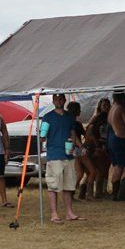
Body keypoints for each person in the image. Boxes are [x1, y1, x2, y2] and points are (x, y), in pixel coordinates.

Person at [41, 94, 82, 223]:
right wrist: (41, 135)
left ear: (64, 100)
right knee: (53, 185)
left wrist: (74, 145)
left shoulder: (70, 117)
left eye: (61, 99)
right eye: (56, 99)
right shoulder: (47, 117)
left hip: (68, 155)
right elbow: (42, 136)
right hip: (54, 155)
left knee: (68, 185)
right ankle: (54, 214)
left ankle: (69, 212)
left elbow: (72, 132)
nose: (59, 101)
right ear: (53, 101)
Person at [71, 102, 97, 201]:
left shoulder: (68, 122)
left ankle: (71, 193)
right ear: (76, 110)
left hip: (73, 150)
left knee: (80, 173)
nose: (80, 111)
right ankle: (89, 195)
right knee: (92, 171)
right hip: (79, 149)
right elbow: (84, 134)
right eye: (79, 109)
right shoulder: (76, 124)